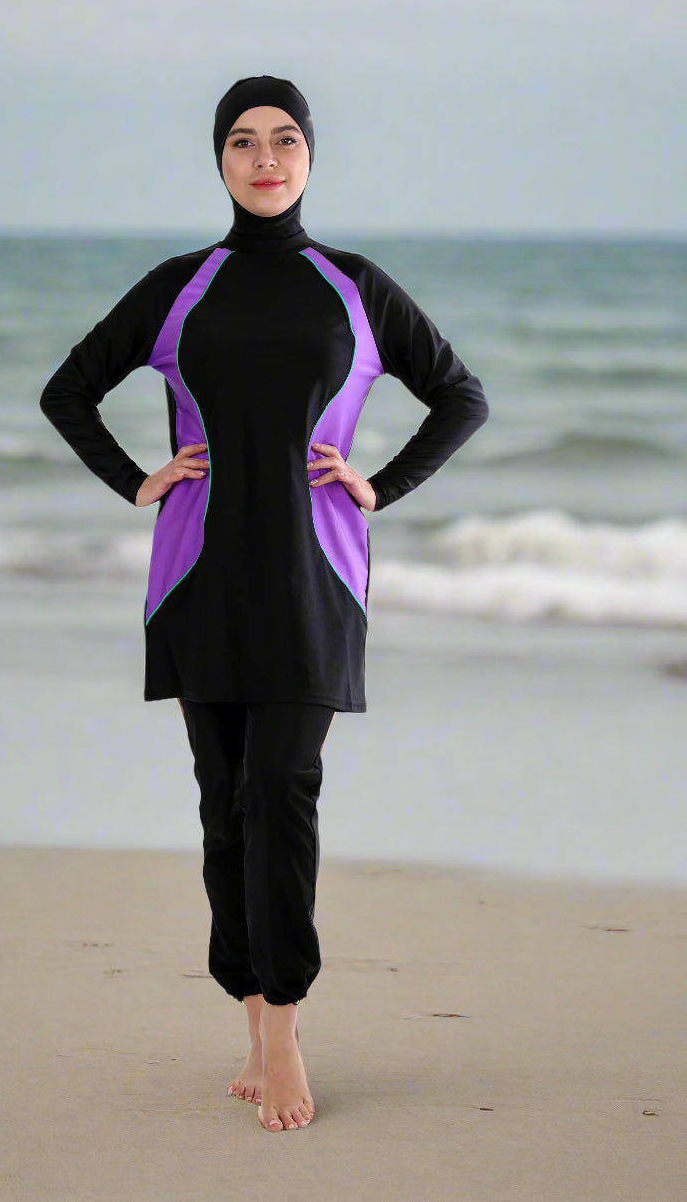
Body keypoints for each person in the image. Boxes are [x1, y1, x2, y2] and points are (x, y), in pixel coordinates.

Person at [39, 74, 488, 1133]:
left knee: (282, 787)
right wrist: (136, 478)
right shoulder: (179, 286)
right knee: (224, 799)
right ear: (220, 160)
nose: (265, 158)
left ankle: (283, 1025)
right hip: (198, 577)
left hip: (314, 578)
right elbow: (69, 390)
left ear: (310, 155)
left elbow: (460, 396)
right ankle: (247, 1007)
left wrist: (381, 484)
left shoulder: (354, 286)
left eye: (284, 139)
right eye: (242, 141)